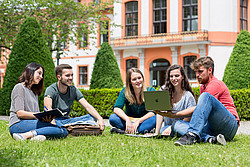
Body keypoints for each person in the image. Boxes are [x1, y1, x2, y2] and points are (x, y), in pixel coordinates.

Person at [165, 57, 239, 146]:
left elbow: (197, 109)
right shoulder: (203, 87)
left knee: (205, 96)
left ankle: (191, 135)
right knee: (177, 124)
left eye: (200, 71)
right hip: (213, 128)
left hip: (229, 125)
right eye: (196, 72)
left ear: (209, 70)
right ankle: (210, 139)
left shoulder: (215, 84)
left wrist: (174, 114)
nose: (197, 75)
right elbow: (201, 112)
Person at [9, 62, 68, 141]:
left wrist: (45, 118)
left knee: (63, 130)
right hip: (17, 124)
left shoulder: (34, 92)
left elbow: (35, 115)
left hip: (30, 122)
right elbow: (20, 113)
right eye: (39, 73)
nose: (41, 77)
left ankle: (35, 136)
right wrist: (38, 115)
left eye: (42, 75)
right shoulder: (19, 87)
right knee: (57, 129)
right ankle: (25, 135)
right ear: (31, 71)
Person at [44, 64, 105, 131]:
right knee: (52, 124)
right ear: (59, 77)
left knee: (92, 117)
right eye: (67, 75)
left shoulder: (73, 89)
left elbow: (87, 106)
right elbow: (47, 108)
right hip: (55, 120)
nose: (71, 78)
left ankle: (69, 127)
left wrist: (100, 118)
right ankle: (73, 127)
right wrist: (53, 123)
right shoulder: (51, 89)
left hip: (68, 121)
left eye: (72, 75)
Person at [109, 68, 156, 134]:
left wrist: (139, 121)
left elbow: (153, 112)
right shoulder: (125, 91)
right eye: (134, 79)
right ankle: (138, 130)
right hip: (129, 120)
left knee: (155, 118)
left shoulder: (150, 90)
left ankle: (125, 130)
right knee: (113, 118)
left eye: (139, 78)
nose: (138, 81)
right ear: (130, 82)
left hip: (144, 121)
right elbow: (116, 108)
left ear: (143, 78)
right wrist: (127, 119)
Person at [153, 65, 196, 137]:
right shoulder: (164, 91)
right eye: (171, 76)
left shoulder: (188, 96)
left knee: (177, 129)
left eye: (177, 76)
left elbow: (189, 117)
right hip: (166, 127)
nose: (174, 78)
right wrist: (156, 133)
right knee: (163, 130)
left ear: (182, 77)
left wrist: (172, 127)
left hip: (182, 127)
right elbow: (160, 113)